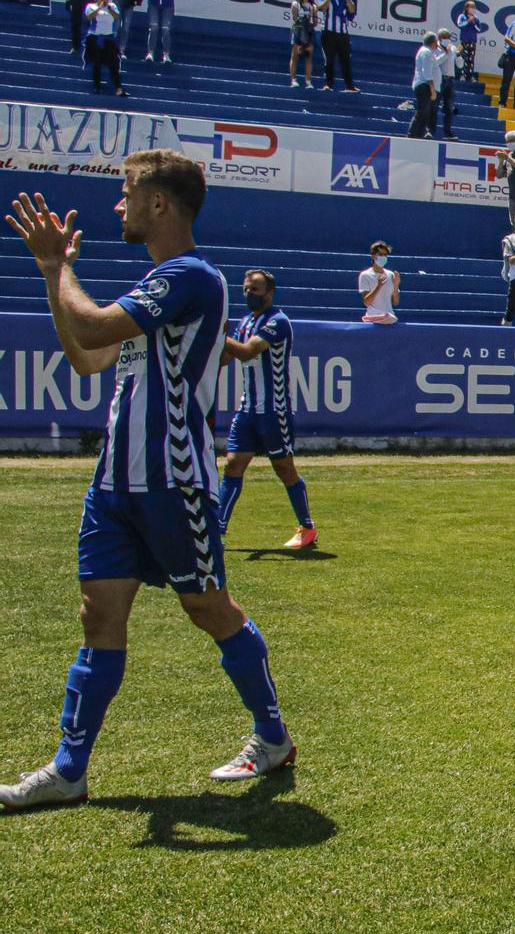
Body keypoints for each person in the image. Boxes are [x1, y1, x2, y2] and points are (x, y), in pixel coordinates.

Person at [0, 154, 298, 813]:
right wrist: (54, 272)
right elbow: (87, 357)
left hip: (174, 483)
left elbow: (92, 327)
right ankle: (69, 770)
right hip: (114, 484)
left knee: (208, 609)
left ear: (160, 205)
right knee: (98, 615)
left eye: (128, 192)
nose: (119, 205)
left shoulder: (191, 277)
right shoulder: (159, 285)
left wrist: (61, 267)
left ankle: (273, 737)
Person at [217, 269, 317, 551]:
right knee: (233, 464)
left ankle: (307, 527)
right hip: (248, 408)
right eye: (246, 289)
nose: (249, 294)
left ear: (269, 293)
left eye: (255, 290)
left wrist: (215, 332)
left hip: (274, 409)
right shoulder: (245, 321)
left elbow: (248, 351)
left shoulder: (277, 322)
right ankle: (218, 531)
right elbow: (226, 358)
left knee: (284, 469)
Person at [316, 0, 359, 92]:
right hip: (328, 32)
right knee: (329, 59)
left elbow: (352, 10)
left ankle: (349, 85)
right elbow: (321, 8)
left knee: (345, 59)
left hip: (342, 33)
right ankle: (328, 84)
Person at [82, 0, 127, 97]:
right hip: (95, 37)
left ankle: (118, 88)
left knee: (113, 63)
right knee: (96, 61)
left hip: (108, 37)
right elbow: (89, 17)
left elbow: (117, 17)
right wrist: (100, 7)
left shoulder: (112, 6)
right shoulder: (91, 6)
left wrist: (108, 7)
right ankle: (97, 86)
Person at [409, 34, 441, 139]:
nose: (437, 44)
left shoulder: (425, 51)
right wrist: (432, 89)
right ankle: (413, 133)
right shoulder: (426, 52)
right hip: (423, 84)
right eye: (436, 42)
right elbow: (427, 72)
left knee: (426, 111)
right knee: (423, 110)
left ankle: (419, 134)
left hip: (423, 84)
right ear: (432, 42)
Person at [358, 242, 399, 323]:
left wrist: (396, 284)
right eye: (380, 254)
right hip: (373, 318)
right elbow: (366, 302)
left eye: (385, 255)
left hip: (389, 317)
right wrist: (378, 286)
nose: (383, 257)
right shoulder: (365, 275)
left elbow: (395, 302)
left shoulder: (390, 274)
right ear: (373, 256)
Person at [288, 0, 318, 87]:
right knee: (295, 55)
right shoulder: (295, 4)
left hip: (309, 32)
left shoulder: (313, 6)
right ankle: (293, 80)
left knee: (308, 56)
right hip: (298, 30)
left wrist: (312, 19)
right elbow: (295, 18)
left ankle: (308, 81)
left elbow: (315, 22)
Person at [432, 29, 459, 139]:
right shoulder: (435, 48)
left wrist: (459, 55)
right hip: (439, 79)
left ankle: (448, 131)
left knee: (449, 107)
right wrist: (446, 53)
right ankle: (430, 130)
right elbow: (436, 62)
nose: (447, 40)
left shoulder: (452, 48)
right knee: (434, 106)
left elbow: (460, 65)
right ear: (439, 38)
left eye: (449, 37)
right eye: (445, 38)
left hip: (450, 80)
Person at [454, 1, 483, 81]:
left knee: (471, 59)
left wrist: (473, 23)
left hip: (473, 42)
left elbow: (479, 29)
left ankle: (470, 76)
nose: (473, 9)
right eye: (471, 7)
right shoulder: (462, 16)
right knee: (463, 58)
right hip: (464, 41)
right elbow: (460, 25)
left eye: (474, 7)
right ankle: (462, 75)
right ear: (466, 8)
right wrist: (468, 22)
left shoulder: (476, 18)